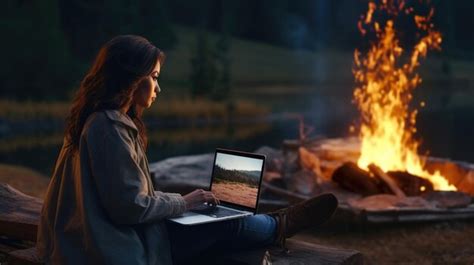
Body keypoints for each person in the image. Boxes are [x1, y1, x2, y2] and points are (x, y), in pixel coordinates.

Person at [37, 35, 338, 265]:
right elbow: (129, 207)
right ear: (131, 77)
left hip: (94, 237)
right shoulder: (109, 127)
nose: (158, 87)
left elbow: (121, 197)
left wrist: (180, 203)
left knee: (211, 218)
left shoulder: (95, 119)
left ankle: (268, 221)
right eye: (154, 77)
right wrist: (183, 202)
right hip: (112, 248)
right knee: (225, 226)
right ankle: (277, 225)